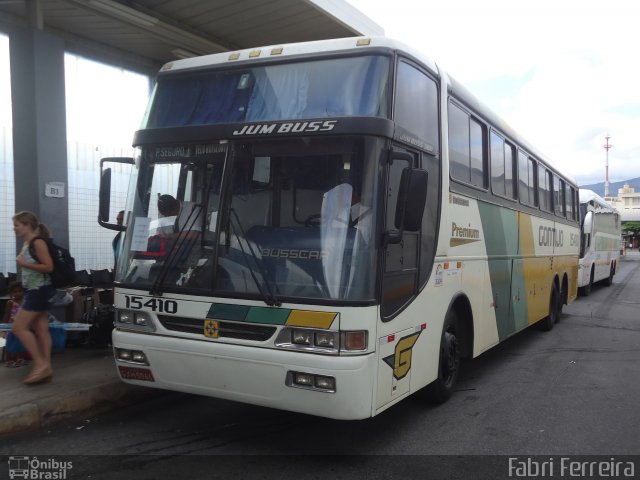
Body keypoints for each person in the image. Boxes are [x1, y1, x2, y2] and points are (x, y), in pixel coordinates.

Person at [11, 211, 55, 384]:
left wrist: (24, 264)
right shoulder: (28, 242)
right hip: (34, 290)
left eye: (17, 225)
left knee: (18, 327)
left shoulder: (37, 242)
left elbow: (48, 267)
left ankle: (40, 364)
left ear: (28, 225)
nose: (14, 229)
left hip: (39, 291)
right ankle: (47, 367)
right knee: (41, 330)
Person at [2, 281, 29, 367]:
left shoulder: (26, 302)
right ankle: (9, 360)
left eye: (20, 291)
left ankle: (19, 359)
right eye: (15, 291)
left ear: (23, 291)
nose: (18, 293)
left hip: (22, 327)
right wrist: (4, 328)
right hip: (11, 328)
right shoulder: (10, 303)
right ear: (11, 293)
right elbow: (6, 315)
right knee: (10, 344)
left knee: (21, 343)